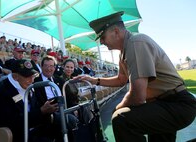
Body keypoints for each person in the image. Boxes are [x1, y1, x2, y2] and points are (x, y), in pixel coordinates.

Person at [76, 11, 196, 142]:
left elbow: (137, 96)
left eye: (103, 37)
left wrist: (117, 108)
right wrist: (95, 80)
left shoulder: (136, 43)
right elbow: (121, 79)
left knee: (121, 119)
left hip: (176, 104)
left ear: (116, 32)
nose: (102, 42)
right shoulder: (124, 52)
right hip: (162, 104)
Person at [0, 59, 65, 142]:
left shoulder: (27, 85)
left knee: (64, 127)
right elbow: (12, 123)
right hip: (17, 134)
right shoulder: (0, 91)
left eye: (33, 76)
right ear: (15, 76)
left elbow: (35, 107)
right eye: (27, 76)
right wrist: (41, 111)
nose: (32, 80)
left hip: (35, 128)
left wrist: (48, 110)